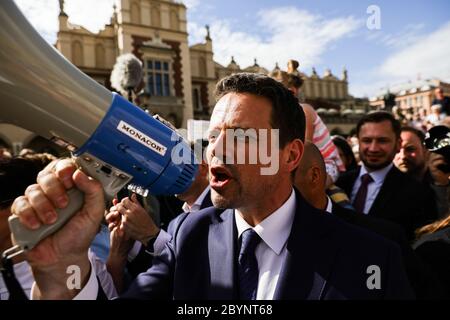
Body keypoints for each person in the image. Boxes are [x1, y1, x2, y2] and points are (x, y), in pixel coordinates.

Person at [11, 73, 413, 300]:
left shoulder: (371, 258)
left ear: (291, 156)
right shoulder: (187, 236)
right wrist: (62, 271)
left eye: (239, 136)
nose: (215, 149)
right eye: (213, 135)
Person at [295, 142, 443, 299]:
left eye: (281, 179)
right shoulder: (268, 240)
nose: (269, 188)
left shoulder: (382, 239)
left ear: (314, 176)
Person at [336, 112, 437, 241]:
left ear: (398, 144)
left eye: (382, 141)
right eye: (367, 140)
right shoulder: (339, 183)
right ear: (358, 142)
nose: (373, 148)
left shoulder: (418, 193)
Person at [394, 126, 449, 218]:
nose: (403, 156)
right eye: (397, 150)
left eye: (410, 149)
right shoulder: (385, 184)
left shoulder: (442, 178)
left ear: (425, 150)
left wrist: (441, 184)